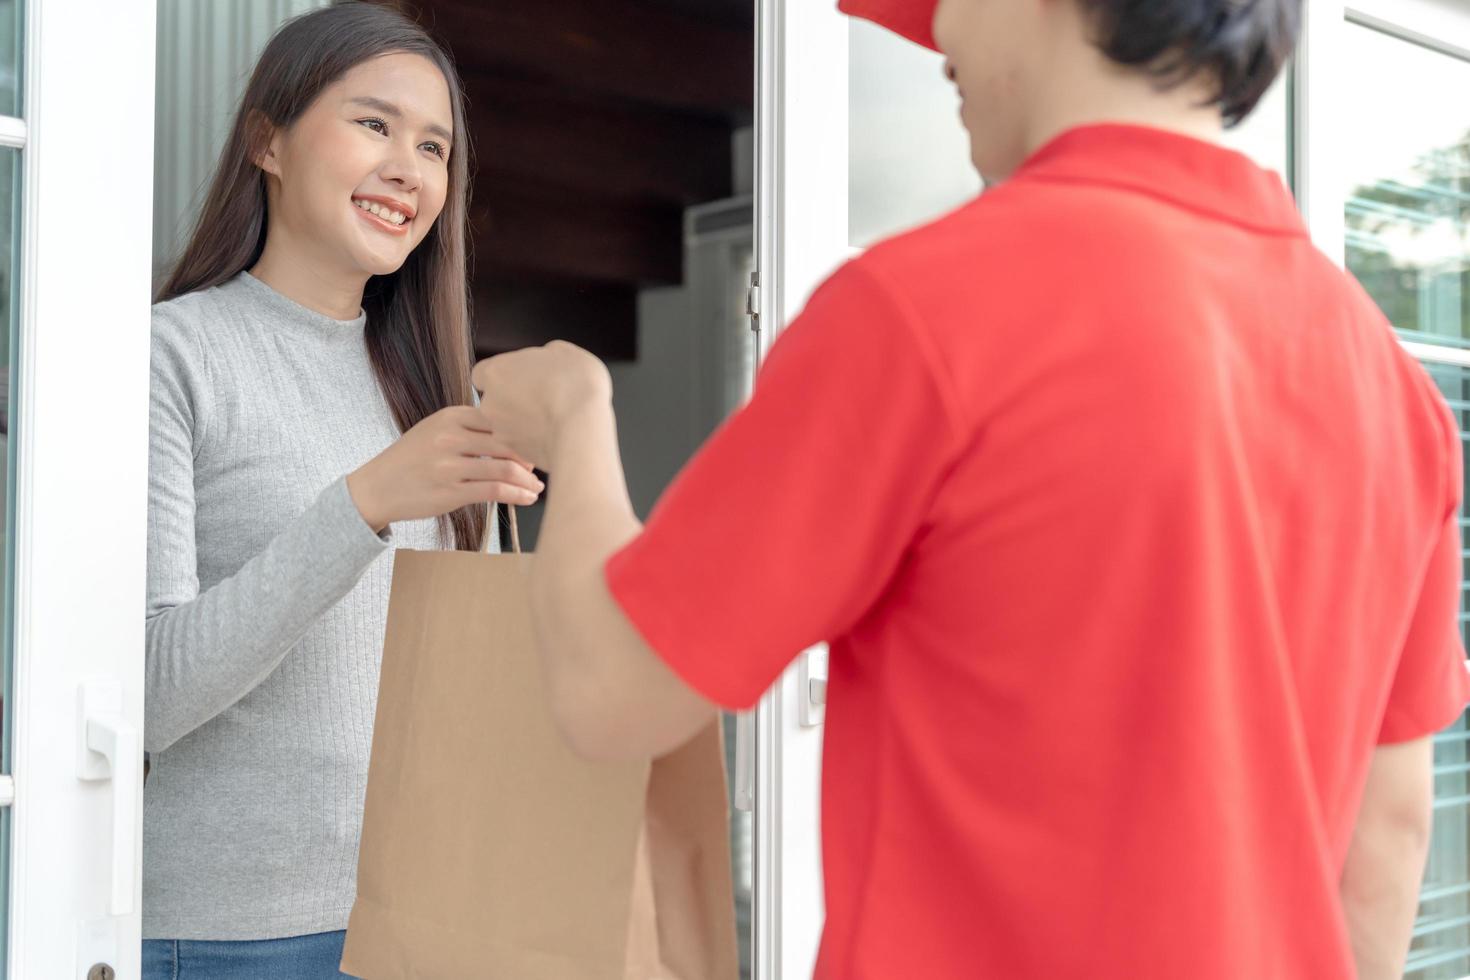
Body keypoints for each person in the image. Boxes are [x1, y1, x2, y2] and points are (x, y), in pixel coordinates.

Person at [471, 0, 1470, 976]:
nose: (937, 35)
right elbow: (1388, 835)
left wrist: (575, 409)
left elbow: (613, 693)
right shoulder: (1392, 386)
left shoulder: (923, 311)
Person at [143, 5, 540, 977]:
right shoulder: (170, 357)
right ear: (267, 141)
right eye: (375, 123)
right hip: (231, 936)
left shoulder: (439, 392)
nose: (411, 167)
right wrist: (360, 505)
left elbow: (470, 700)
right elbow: (143, 693)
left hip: (427, 921)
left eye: (435, 145)